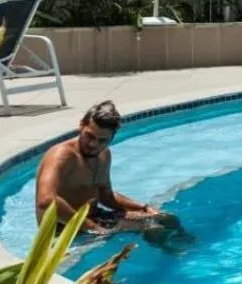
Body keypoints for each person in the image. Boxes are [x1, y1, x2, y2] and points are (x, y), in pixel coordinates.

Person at [35, 100, 181, 236]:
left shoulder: (103, 154)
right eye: (89, 136)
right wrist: (92, 227)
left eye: (102, 140)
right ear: (81, 125)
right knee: (151, 226)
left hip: (95, 217)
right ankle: (166, 259)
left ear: (111, 138)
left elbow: (105, 195)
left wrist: (142, 208)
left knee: (167, 219)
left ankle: (182, 256)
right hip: (64, 227)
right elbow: (46, 201)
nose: (94, 144)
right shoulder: (62, 156)